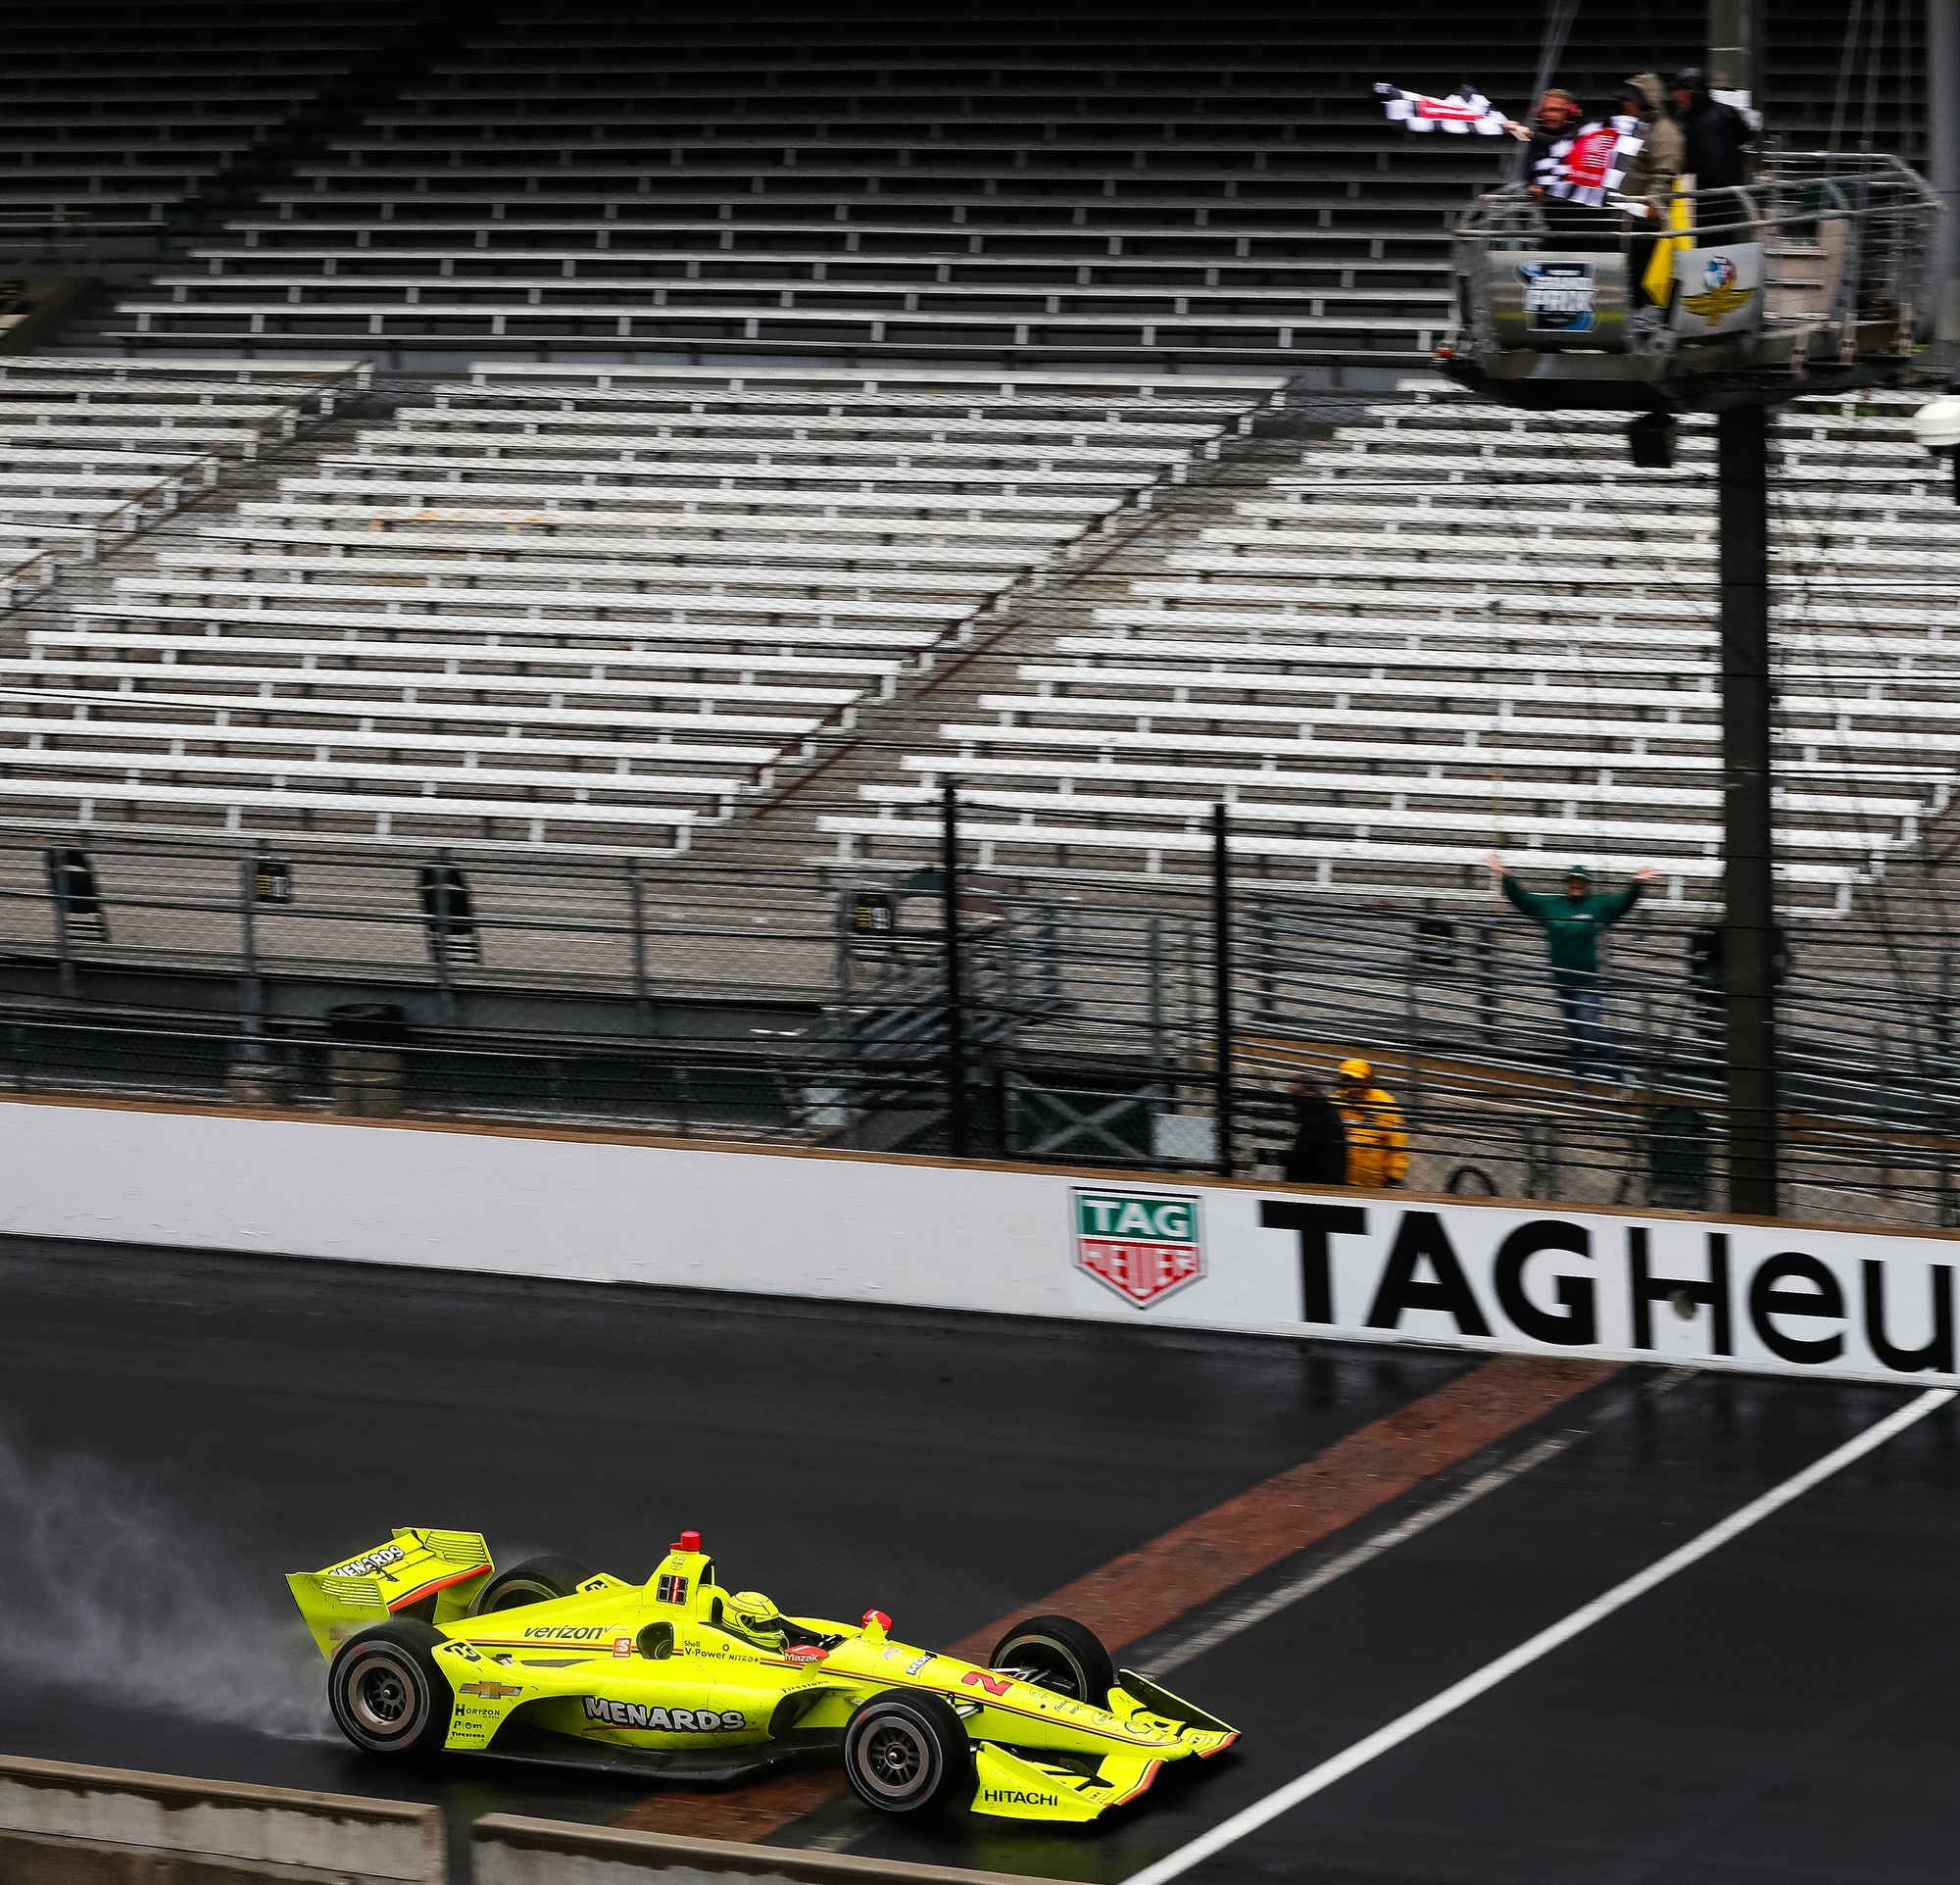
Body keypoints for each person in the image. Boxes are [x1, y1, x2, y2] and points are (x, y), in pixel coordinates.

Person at [1485, 857, 1658, 1085]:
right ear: (1567, 883)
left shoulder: (1598, 906)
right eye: (1572, 881)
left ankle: (1618, 1074)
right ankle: (1580, 1082)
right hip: (1563, 981)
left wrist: (1636, 884)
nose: (1576, 885)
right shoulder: (1552, 905)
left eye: (1580, 881)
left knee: (1590, 1029)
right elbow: (1523, 900)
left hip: (1589, 981)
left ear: (1586, 884)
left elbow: (1623, 904)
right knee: (1574, 1032)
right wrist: (1505, 876)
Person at [1669, 67, 1756, 193]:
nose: (1677, 95)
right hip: (1701, 189)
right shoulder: (1685, 119)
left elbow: (1745, 136)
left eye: (1681, 90)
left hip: (1725, 188)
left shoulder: (1724, 114)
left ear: (1694, 91)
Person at [1334, 1058, 1408, 1189]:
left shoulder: (1385, 1103)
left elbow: (1397, 1142)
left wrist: (1394, 1177)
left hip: (1374, 1182)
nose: (1352, 1084)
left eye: (1356, 1080)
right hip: (1342, 1176)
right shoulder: (1336, 1102)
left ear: (1367, 1080)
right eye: (1348, 1080)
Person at [1281, 1077, 1348, 1185]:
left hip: (1318, 1179)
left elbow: (1308, 1152)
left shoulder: (1318, 1115)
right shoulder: (1319, 1111)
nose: (1291, 1101)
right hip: (1317, 1176)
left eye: (1294, 1094)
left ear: (1308, 1094)